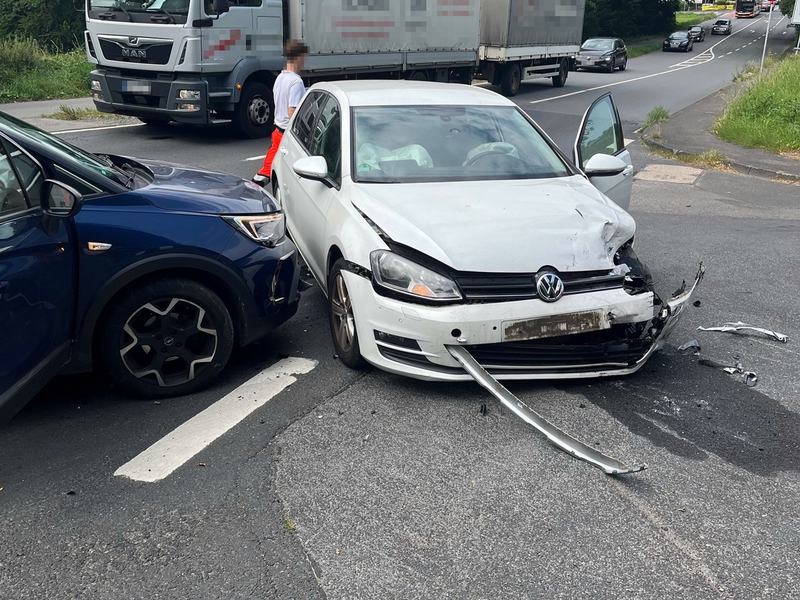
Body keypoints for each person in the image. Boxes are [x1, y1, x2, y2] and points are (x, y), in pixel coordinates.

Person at [252, 40, 309, 187]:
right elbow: (293, 111)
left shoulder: (280, 78)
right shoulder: (296, 82)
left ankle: (252, 190)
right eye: (304, 57)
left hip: (277, 130)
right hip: (286, 134)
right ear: (299, 57)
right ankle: (251, 192)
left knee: (269, 168)